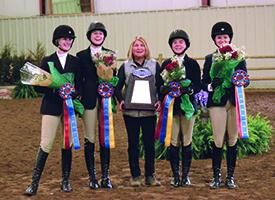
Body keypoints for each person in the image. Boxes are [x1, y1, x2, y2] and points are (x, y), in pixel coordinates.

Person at [25, 25, 82, 196]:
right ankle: (34, 183)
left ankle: (65, 180)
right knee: (46, 144)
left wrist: (75, 93)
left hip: (69, 108)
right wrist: (55, 90)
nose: (68, 42)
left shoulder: (76, 62)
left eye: (70, 39)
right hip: (51, 106)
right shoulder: (47, 60)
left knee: (67, 144)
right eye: (64, 39)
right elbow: (38, 86)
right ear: (57, 41)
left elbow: (78, 85)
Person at [201, 21, 249, 189]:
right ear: (215, 40)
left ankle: (230, 177)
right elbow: (203, 82)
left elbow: (246, 78)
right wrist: (210, 86)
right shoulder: (210, 59)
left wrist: (240, 81)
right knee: (218, 139)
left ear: (230, 38)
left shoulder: (238, 58)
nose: (222, 40)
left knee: (232, 140)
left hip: (234, 102)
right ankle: (216, 176)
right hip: (217, 103)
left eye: (225, 37)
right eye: (219, 37)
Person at [115, 36, 162, 187]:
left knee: (149, 144)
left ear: (146, 48)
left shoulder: (154, 65)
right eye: (136, 45)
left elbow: (161, 85)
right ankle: (135, 175)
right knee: (133, 144)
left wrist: (159, 100)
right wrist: (120, 100)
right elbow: (117, 85)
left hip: (149, 113)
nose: (139, 48)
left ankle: (150, 175)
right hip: (131, 113)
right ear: (132, 49)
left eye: (142, 45)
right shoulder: (125, 66)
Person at [159, 30, 201, 187]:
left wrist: (189, 90)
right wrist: (163, 90)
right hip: (172, 108)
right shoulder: (166, 65)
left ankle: (186, 175)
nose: (178, 45)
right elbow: (160, 84)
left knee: (187, 141)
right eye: (175, 42)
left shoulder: (193, 64)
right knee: (173, 141)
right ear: (171, 45)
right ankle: (175, 175)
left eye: (181, 42)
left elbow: (198, 85)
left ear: (186, 45)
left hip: (188, 107)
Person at [76, 21, 115, 190]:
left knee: (105, 138)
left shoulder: (110, 54)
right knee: (90, 138)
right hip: (89, 101)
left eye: (100, 33)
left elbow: (114, 78)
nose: (98, 36)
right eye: (95, 33)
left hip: (105, 100)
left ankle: (105, 176)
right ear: (89, 36)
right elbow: (78, 79)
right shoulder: (81, 55)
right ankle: (92, 176)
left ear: (104, 36)